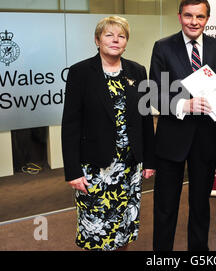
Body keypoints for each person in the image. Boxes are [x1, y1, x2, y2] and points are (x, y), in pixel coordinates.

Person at [61, 16, 155, 251]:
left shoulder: (137, 71)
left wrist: (149, 160)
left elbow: (145, 119)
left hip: (129, 166)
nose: (115, 40)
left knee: (123, 229)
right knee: (96, 232)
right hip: (95, 167)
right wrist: (73, 171)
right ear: (97, 40)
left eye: (121, 36)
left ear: (126, 42)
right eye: (109, 35)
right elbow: (70, 124)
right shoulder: (80, 72)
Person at [149, 0, 216, 251]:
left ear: (207, 18)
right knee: (165, 205)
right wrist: (184, 105)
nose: (194, 22)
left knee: (200, 204)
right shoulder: (163, 47)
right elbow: (154, 93)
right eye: (188, 15)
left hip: (207, 138)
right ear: (179, 16)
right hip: (173, 138)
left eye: (200, 16)